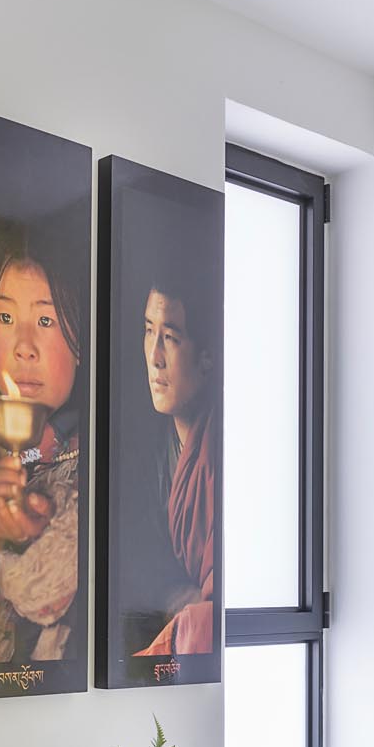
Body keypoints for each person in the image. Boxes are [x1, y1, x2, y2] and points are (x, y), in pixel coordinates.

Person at [0, 234, 82, 668]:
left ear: (81, 339)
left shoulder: (102, 462)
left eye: (45, 322)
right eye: (5, 316)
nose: (23, 345)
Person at [132, 276, 218, 668]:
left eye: (171, 337)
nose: (154, 357)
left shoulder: (219, 449)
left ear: (206, 358)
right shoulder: (149, 452)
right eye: (149, 331)